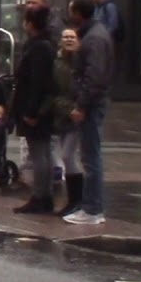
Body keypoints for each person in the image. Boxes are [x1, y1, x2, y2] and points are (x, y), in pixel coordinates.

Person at [63, 0, 113, 225]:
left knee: (90, 156)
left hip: (92, 104)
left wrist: (81, 105)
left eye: (71, 10)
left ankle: (92, 209)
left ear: (78, 14)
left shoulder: (94, 39)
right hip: (93, 101)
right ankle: (91, 206)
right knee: (89, 155)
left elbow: (94, 76)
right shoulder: (95, 35)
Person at [10, 5, 58, 214]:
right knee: (43, 152)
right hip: (40, 108)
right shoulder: (45, 45)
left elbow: (37, 83)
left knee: (39, 152)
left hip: (35, 109)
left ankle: (41, 196)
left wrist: (31, 112)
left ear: (30, 24)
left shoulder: (38, 48)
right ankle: (43, 195)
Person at [51, 27, 85, 217]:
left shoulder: (81, 63)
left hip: (77, 114)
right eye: (66, 37)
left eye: (73, 37)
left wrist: (77, 108)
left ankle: (76, 200)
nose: (69, 40)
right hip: (63, 115)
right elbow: (56, 90)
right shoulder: (57, 63)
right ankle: (74, 200)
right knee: (67, 155)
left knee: (68, 155)